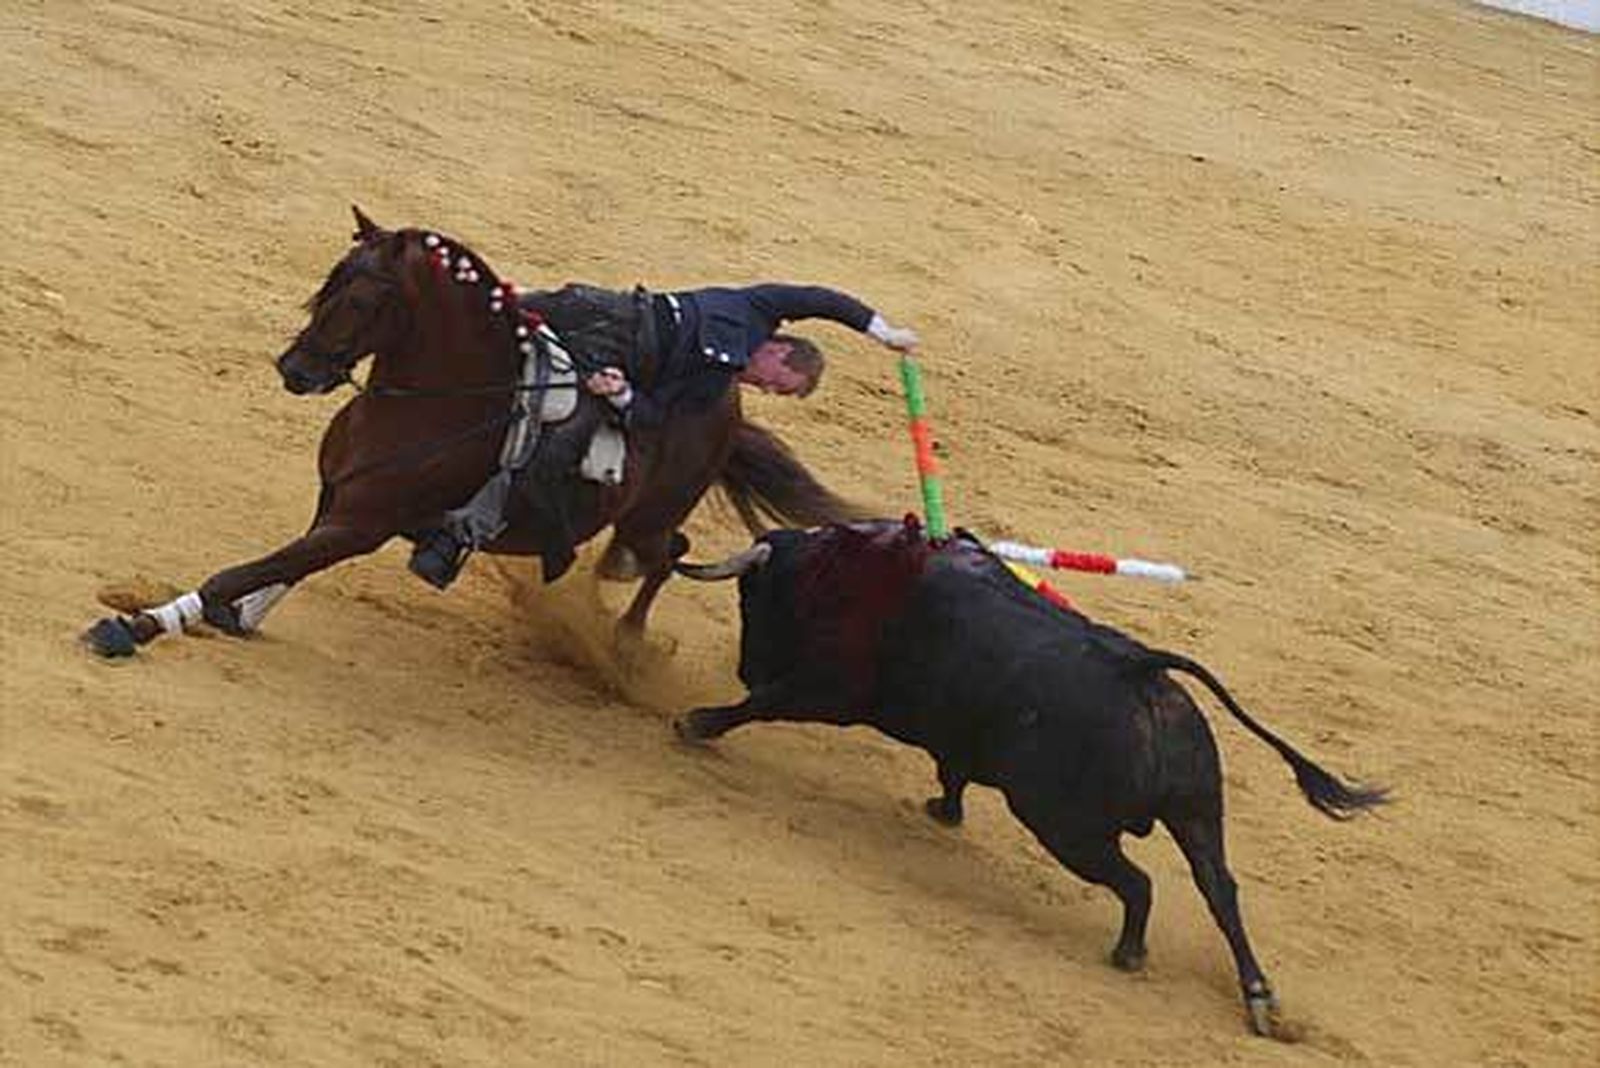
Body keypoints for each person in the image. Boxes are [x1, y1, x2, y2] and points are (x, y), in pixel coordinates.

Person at [407, 281, 918, 589]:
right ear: (781, 351)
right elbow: (822, 300)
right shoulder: (759, 308)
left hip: (614, 360)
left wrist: (621, 393)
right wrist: (882, 331)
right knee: (501, 315)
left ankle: (460, 535)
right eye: (778, 384)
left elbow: (653, 415)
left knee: (556, 441)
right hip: (608, 310)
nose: (765, 389)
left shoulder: (710, 389)